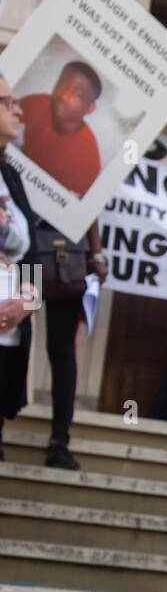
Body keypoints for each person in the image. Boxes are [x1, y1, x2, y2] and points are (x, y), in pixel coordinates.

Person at [0, 77, 40, 461]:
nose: (18, 111)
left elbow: (36, 257)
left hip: (6, 338)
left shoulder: (11, 176)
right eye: (6, 102)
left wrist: (27, 301)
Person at [19, 61, 102, 198]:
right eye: (62, 85)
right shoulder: (39, 103)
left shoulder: (88, 159)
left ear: (90, 108)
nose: (64, 95)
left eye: (77, 94)